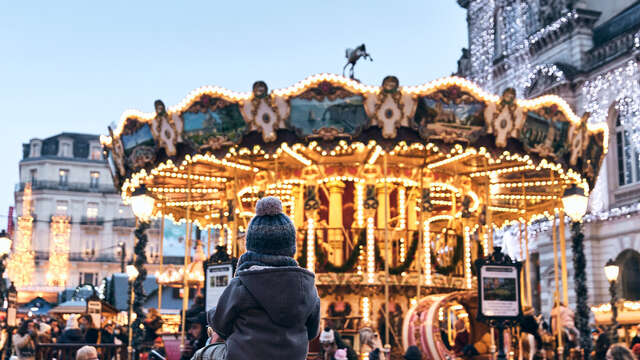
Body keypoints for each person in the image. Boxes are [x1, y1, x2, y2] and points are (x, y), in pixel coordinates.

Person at [212, 197, 321, 360]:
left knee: (205, 352)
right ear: (290, 249)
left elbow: (220, 324)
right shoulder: (307, 288)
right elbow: (312, 331)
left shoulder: (242, 285)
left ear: (251, 248)